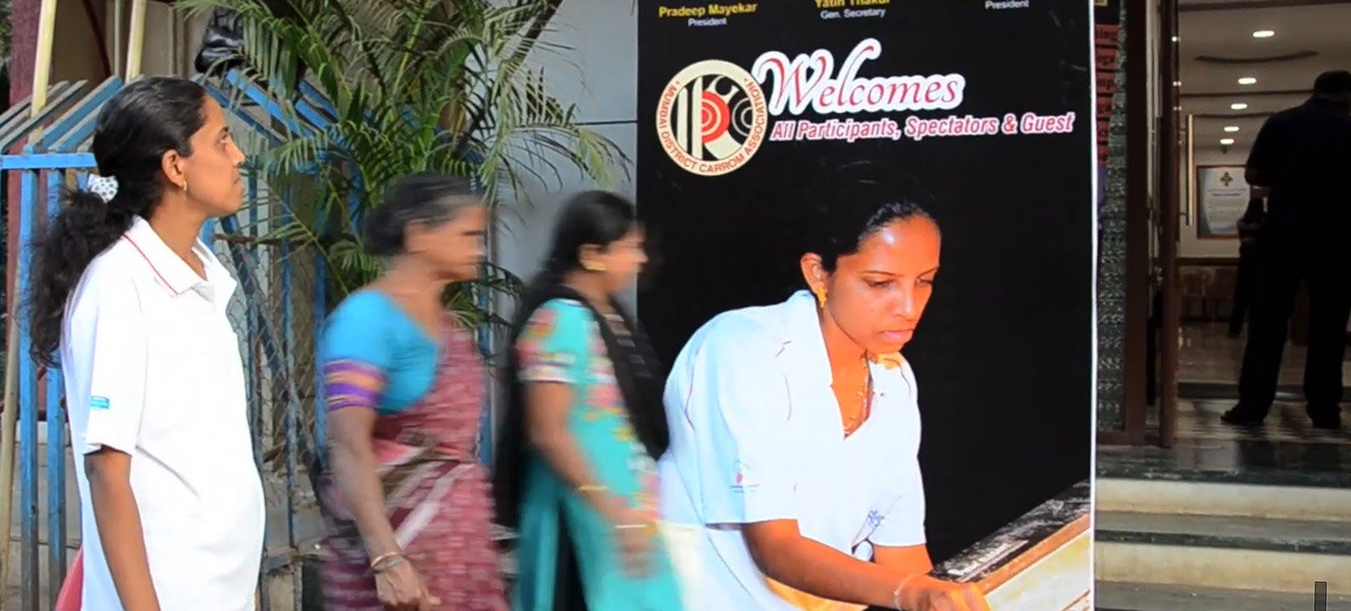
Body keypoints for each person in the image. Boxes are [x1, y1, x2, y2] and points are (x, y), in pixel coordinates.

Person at [656, 185, 991, 611]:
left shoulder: (895, 381)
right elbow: (775, 546)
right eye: (880, 283)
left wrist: (933, 595)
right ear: (818, 273)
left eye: (924, 282)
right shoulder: (743, 348)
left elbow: (901, 552)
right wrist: (910, 594)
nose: (909, 306)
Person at [27, 76, 263, 610]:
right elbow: (107, 471)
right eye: (222, 140)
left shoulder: (202, 273)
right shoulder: (119, 286)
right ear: (175, 167)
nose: (239, 156)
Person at [315, 174, 507, 610]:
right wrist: (387, 559)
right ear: (419, 235)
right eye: (467, 235)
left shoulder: (446, 322)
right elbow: (348, 445)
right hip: (401, 569)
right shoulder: (367, 319)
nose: (478, 248)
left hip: (456, 557)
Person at [492, 191, 682, 611]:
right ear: (593, 254)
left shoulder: (608, 314)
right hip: (580, 514)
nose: (640, 260)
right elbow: (548, 432)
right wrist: (608, 506)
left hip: (627, 513)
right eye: (631, 247)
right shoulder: (556, 322)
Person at [1223, 69, 1351, 430]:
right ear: (1346, 97)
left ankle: (1253, 405)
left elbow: (1252, 174)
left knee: (1267, 324)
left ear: (1316, 90)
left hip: (1284, 235)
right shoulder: (1348, 128)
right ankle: (1324, 408)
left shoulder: (1282, 123)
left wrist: (1289, 178)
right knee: (1329, 327)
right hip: (1337, 240)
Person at [1227, 195, 1265, 338]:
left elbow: (1243, 231)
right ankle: (1257, 329)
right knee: (1258, 299)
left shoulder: (1243, 222)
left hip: (1245, 264)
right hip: (1260, 265)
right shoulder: (1263, 222)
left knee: (1240, 299)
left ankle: (1234, 328)